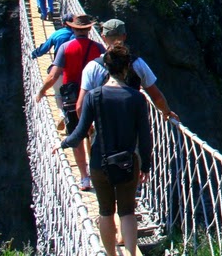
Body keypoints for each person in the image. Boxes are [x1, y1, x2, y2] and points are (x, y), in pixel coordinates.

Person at [54, 44, 151, 256]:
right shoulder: (137, 98)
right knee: (127, 211)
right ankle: (132, 254)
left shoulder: (94, 96)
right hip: (127, 162)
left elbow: (80, 132)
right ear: (127, 68)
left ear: (105, 67)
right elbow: (145, 137)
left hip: (100, 162)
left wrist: (62, 144)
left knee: (106, 211)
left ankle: (110, 255)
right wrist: (146, 165)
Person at [36, 14, 104, 190]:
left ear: (72, 28)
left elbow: (54, 75)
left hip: (72, 99)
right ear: (89, 29)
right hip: (96, 97)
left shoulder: (65, 47)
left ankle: (84, 177)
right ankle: (97, 171)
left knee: (76, 135)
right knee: (93, 133)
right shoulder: (98, 48)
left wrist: (42, 91)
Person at [78, 19, 179, 123]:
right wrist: (167, 112)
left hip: (103, 128)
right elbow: (156, 97)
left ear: (103, 38)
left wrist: (87, 129)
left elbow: (80, 106)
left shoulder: (92, 67)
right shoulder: (138, 64)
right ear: (124, 36)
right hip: (131, 127)